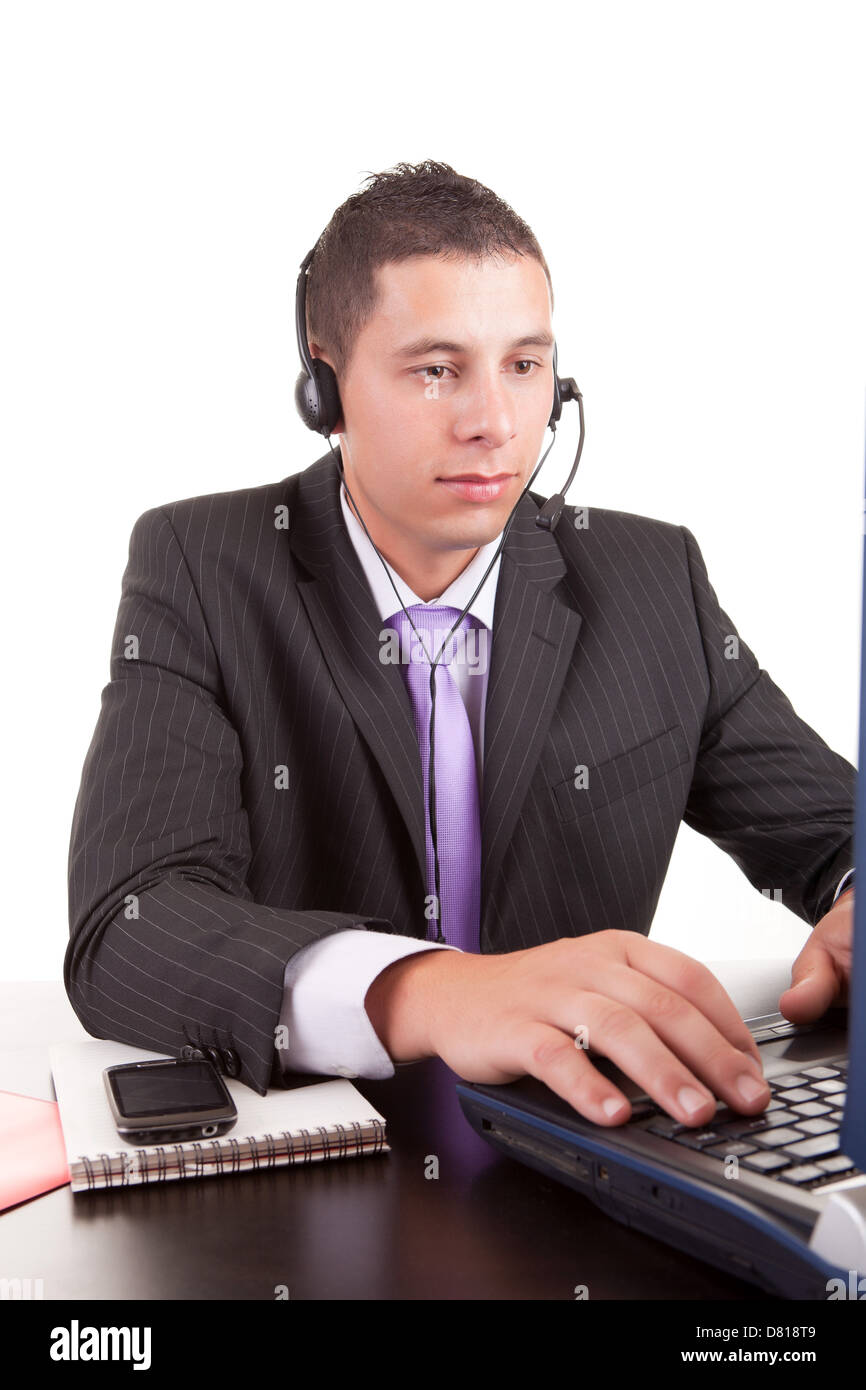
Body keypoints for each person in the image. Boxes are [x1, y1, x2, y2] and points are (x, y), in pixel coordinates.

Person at [66, 160, 856, 1134]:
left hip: (594, 1159)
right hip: (319, 1187)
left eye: (522, 366)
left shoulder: (653, 578)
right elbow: (128, 922)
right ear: (323, 384)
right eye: (436, 369)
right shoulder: (202, 564)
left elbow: (830, 829)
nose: (493, 424)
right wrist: (429, 991)